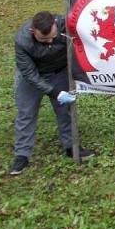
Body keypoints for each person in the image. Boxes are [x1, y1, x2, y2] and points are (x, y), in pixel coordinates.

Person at [8, 11, 95, 175]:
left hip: (59, 72)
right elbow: (29, 74)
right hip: (32, 77)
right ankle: (22, 155)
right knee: (26, 113)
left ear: (56, 23)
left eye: (53, 37)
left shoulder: (66, 25)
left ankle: (71, 147)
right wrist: (54, 92)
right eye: (43, 39)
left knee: (65, 111)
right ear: (32, 31)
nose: (49, 41)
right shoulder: (22, 40)